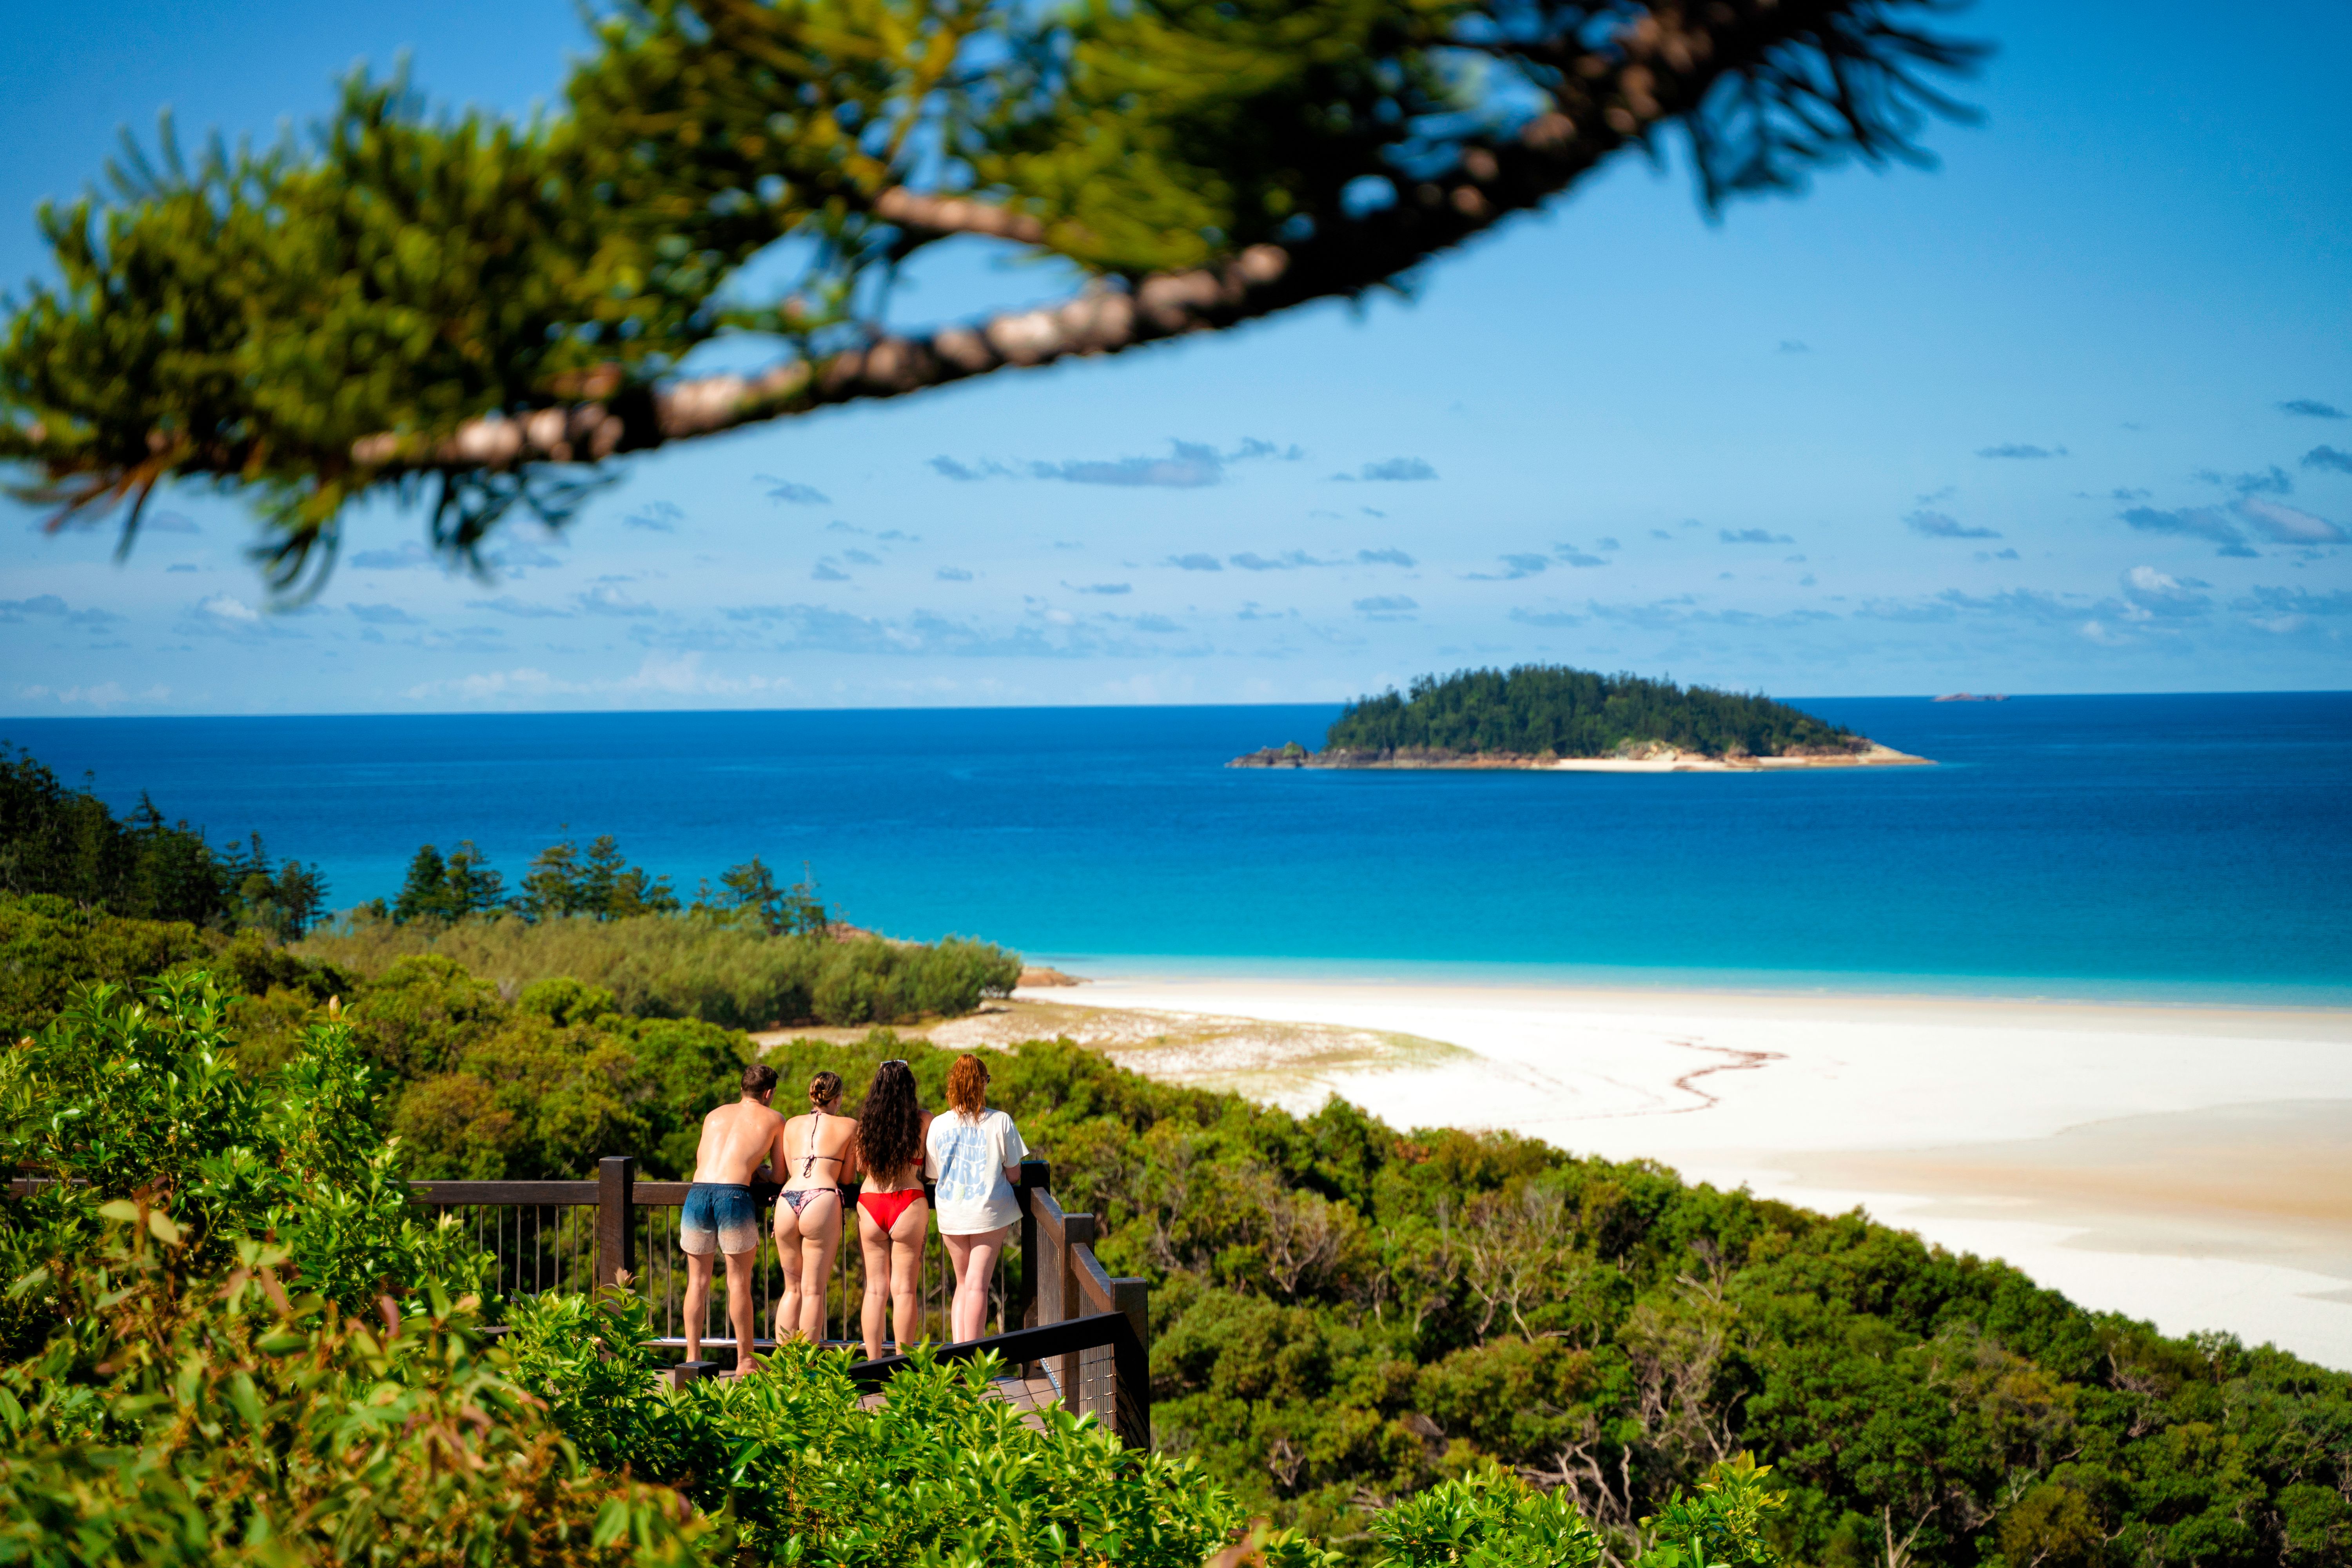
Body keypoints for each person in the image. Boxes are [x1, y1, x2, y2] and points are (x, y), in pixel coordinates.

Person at [681, 1062, 785, 1375]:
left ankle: (692, 1358)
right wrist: (760, 1171)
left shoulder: (714, 1115)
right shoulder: (774, 1119)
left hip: (698, 1192)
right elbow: (779, 1176)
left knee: (697, 1282)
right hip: (735, 1195)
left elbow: (703, 1158)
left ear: (743, 1089)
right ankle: (746, 1362)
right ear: (769, 1093)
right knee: (738, 1282)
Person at [926, 1053, 1028, 1343]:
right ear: (982, 1083)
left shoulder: (939, 1125)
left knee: (963, 1285)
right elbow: (1014, 1175)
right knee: (977, 1287)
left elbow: (933, 1173)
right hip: (989, 1212)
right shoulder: (1001, 1121)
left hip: (951, 1212)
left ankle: (958, 1353)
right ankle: (972, 1356)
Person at [770, 1069, 858, 1345]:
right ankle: (806, 1366)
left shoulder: (792, 1124)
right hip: (821, 1197)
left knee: (792, 1290)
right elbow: (847, 1179)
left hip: (787, 1198)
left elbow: (787, 1169)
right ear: (838, 1098)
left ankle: (784, 1363)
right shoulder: (850, 1126)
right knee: (813, 1292)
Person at [851, 1058, 931, 1359]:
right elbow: (932, 1168)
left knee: (875, 1289)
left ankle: (873, 1363)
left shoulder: (866, 1123)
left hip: (871, 1201)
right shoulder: (924, 1120)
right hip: (909, 1201)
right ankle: (902, 1365)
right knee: (904, 1290)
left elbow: (861, 1167)